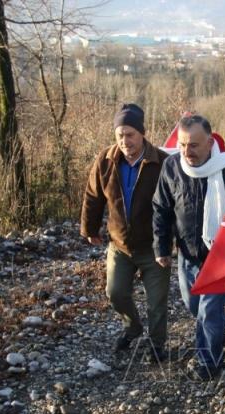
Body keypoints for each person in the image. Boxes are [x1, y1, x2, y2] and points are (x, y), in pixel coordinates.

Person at [152, 114, 225, 379]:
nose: (187, 151)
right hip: (187, 254)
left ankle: (208, 362)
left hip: (220, 257)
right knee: (194, 306)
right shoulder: (172, 166)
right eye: (182, 144)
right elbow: (161, 208)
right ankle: (218, 325)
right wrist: (161, 247)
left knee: (208, 311)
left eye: (193, 145)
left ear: (210, 141)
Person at [81, 103, 171, 360]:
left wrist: (171, 242)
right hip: (119, 245)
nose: (124, 141)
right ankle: (132, 327)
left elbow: (176, 203)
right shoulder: (106, 159)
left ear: (142, 133)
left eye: (130, 134)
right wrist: (90, 227)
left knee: (156, 303)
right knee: (116, 293)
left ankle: (157, 345)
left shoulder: (162, 162)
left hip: (154, 248)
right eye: (120, 135)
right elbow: (93, 195)